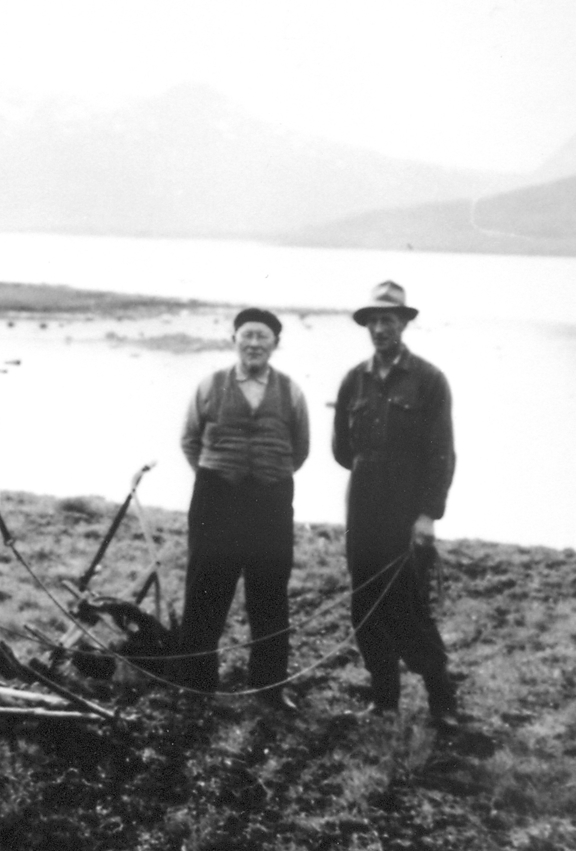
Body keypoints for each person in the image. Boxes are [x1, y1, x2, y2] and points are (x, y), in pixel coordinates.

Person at [332, 281, 460, 727]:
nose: (380, 328)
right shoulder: (354, 379)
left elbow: (441, 452)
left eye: (389, 320)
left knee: (409, 604)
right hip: (363, 506)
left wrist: (427, 514)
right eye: (373, 321)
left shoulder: (429, 380)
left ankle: (442, 699)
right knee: (364, 602)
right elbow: (341, 450)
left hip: (407, 510)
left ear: (404, 324)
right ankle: (384, 698)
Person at [175, 307, 310, 711]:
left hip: (270, 502)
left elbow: (300, 448)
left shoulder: (291, 392)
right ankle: (197, 686)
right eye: (247, 335)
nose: (254, 343)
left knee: (269, 594)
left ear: (275, 344)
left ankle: (269, 688)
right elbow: (189, 441)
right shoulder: (209, 385)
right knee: (205, 592)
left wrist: (267, 474)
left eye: (262, 337)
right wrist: (218, 476)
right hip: (216, 502)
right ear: (233, 339)